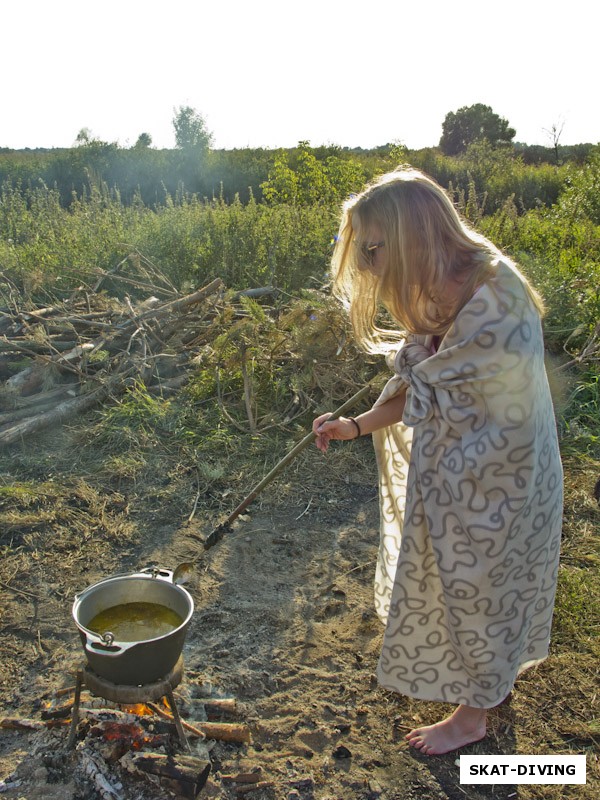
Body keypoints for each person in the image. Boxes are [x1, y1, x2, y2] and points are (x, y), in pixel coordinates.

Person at [312, 167, 563, 756]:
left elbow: (437, 384)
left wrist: (390, 405)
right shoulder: (437, 285)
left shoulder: (496, 293)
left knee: (485, 584)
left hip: (502, 478)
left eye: (375, 248)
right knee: (464, 586)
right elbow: (424, 385)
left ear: (413, 234)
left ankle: (473, 718)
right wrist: (354, 425)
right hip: (460, 477)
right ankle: (487, 687)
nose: (370, 265)